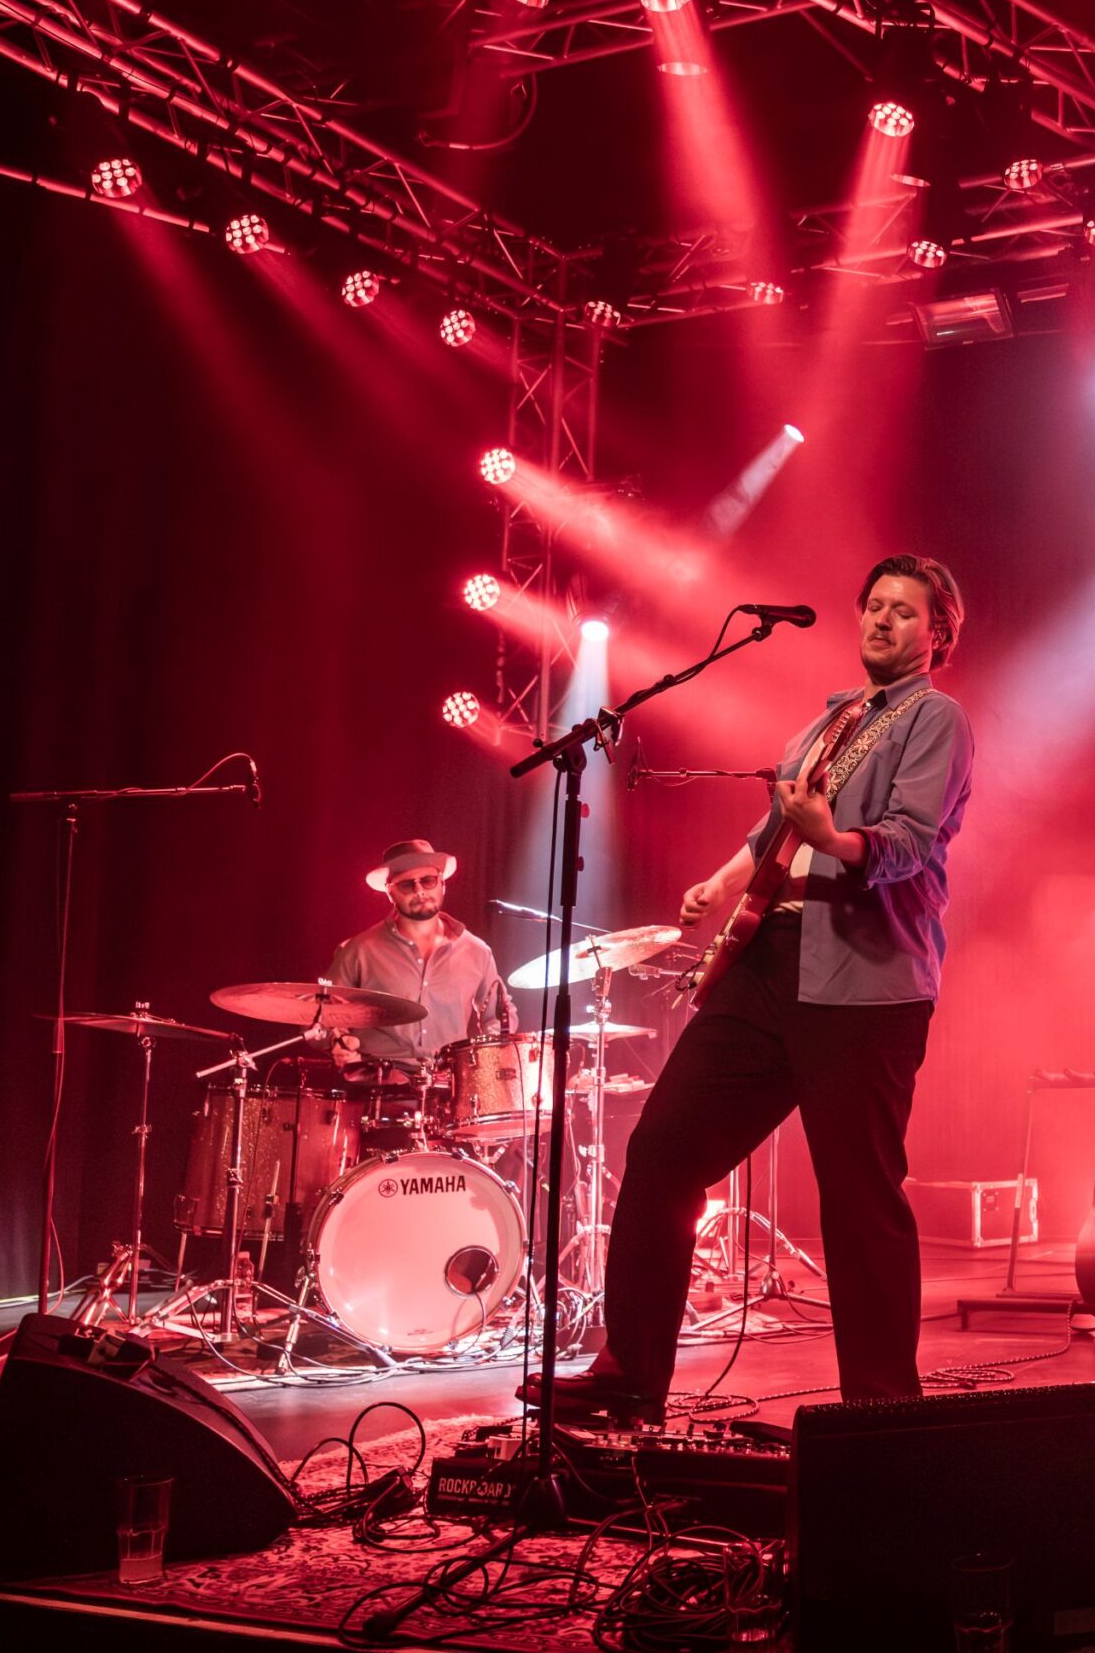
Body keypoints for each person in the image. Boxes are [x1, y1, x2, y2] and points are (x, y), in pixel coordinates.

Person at [536, 555, 974, 1423]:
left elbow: (909, 841)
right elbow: (776, 827)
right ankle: (630, 1376)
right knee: (664, 1149)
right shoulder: (829, 721)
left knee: (859, 1198)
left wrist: (834, 837)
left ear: (938, 634)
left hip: (867, 985)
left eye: (903, 610)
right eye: (874, 604)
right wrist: (723, 881)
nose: (881, 619)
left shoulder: (937, 718)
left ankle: (883, 1413)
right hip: (771, 964)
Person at [326, 839, 516, 1080]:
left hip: (451, 1085)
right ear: (390, 892)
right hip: (377, 1084)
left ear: (442, 884)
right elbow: (322, 1013)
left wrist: (485, 1062)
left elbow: (499, 1018)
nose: (419, 891)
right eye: (407, 884)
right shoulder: (358, 950)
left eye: (428, 880)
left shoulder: (477, 951)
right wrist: (338, 1041)